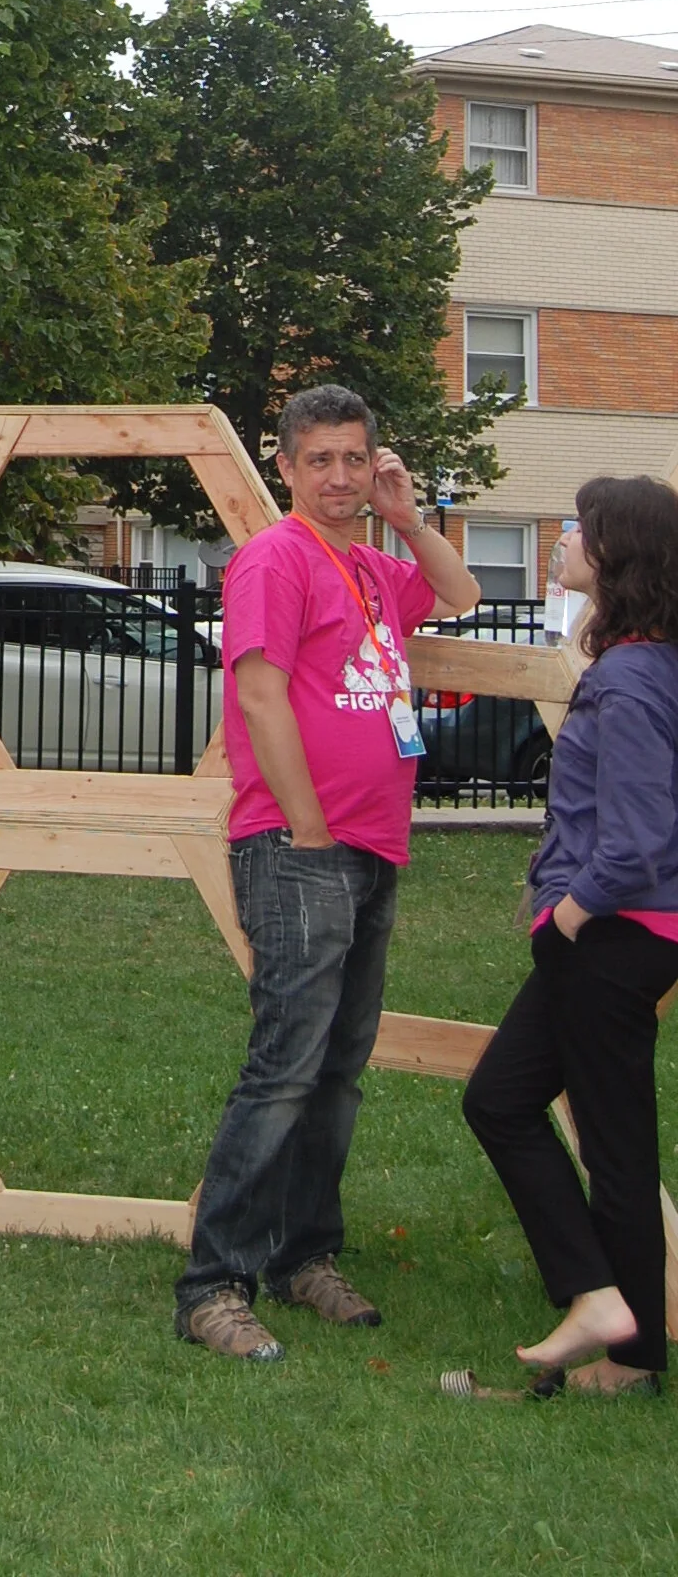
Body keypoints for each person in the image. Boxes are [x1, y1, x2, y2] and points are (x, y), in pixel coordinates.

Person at [175, 382, 481, 1360]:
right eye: (321, 460)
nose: (340, 475)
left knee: (337, 1070)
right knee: (282, 1068)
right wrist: (306, 826)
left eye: (355, 458)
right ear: (286, 466)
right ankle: (211, 1283)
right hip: (299, 845)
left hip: (372, 846)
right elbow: (259, 695)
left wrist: (407, 516)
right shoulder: (275, 557)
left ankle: (302, 1255)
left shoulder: (370, 563)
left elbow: (463, 592)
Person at [462, 475, 678, 1396]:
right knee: (506, 1101)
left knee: (613, 1144)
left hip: (612, 935)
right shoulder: (650, 659)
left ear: (617, 555)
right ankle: (606, 1311)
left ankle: (623, 1343)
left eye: (577, 531)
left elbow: (637, 840)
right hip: (621, 937)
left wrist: (567, 915)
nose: (560, 541)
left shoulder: (629, 679)